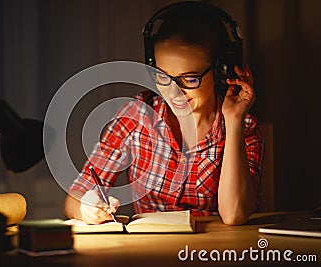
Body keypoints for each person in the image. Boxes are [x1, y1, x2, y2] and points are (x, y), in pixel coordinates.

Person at [63, 1, 264, 226]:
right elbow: (73, 199)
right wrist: (87, 206)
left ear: (220, 72)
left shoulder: (244, 127)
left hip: (212, 251)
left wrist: (234, 120)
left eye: (189, 79)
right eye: (162, 76)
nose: (173, 92)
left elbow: (234, 214)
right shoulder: (136, 116)